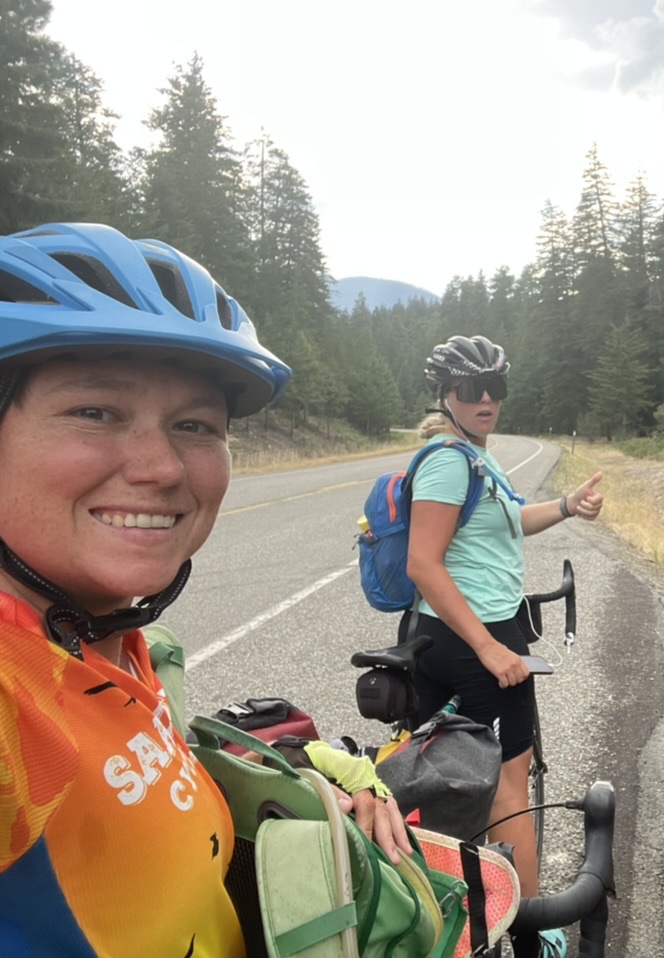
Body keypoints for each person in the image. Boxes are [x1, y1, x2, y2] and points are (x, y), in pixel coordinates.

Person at [0, 223, 412, 957]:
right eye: (96, 412)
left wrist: (322, 780)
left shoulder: (120, 642)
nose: (161, 467)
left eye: (195, 425)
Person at [405, 335, 603, 956]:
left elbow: (513, 519)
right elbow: (423, 565)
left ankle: (448, 908)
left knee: (442, 778)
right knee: (508, 782)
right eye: (471, 389)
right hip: (472, 636)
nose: (486, 398)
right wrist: (491, 650)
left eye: (496, 387)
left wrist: (569, 505)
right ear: (446, 396)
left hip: (457, 633)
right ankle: (533, 928)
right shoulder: (448, 461)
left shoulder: (477, 458)